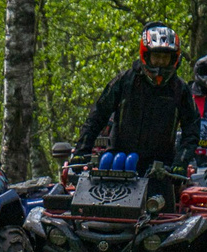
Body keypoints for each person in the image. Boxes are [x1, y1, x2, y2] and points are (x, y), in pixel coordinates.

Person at [74, 27, 198, 174]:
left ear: (173, 59)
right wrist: (81, 151)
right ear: (146, 56)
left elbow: (192, 129)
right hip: (117, 162)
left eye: (165, 58)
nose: (160, 63)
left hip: (161, 168)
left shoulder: (180, 89)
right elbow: (98, 115)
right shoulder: (125, 81)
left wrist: (181, 162)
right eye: (156, 57)